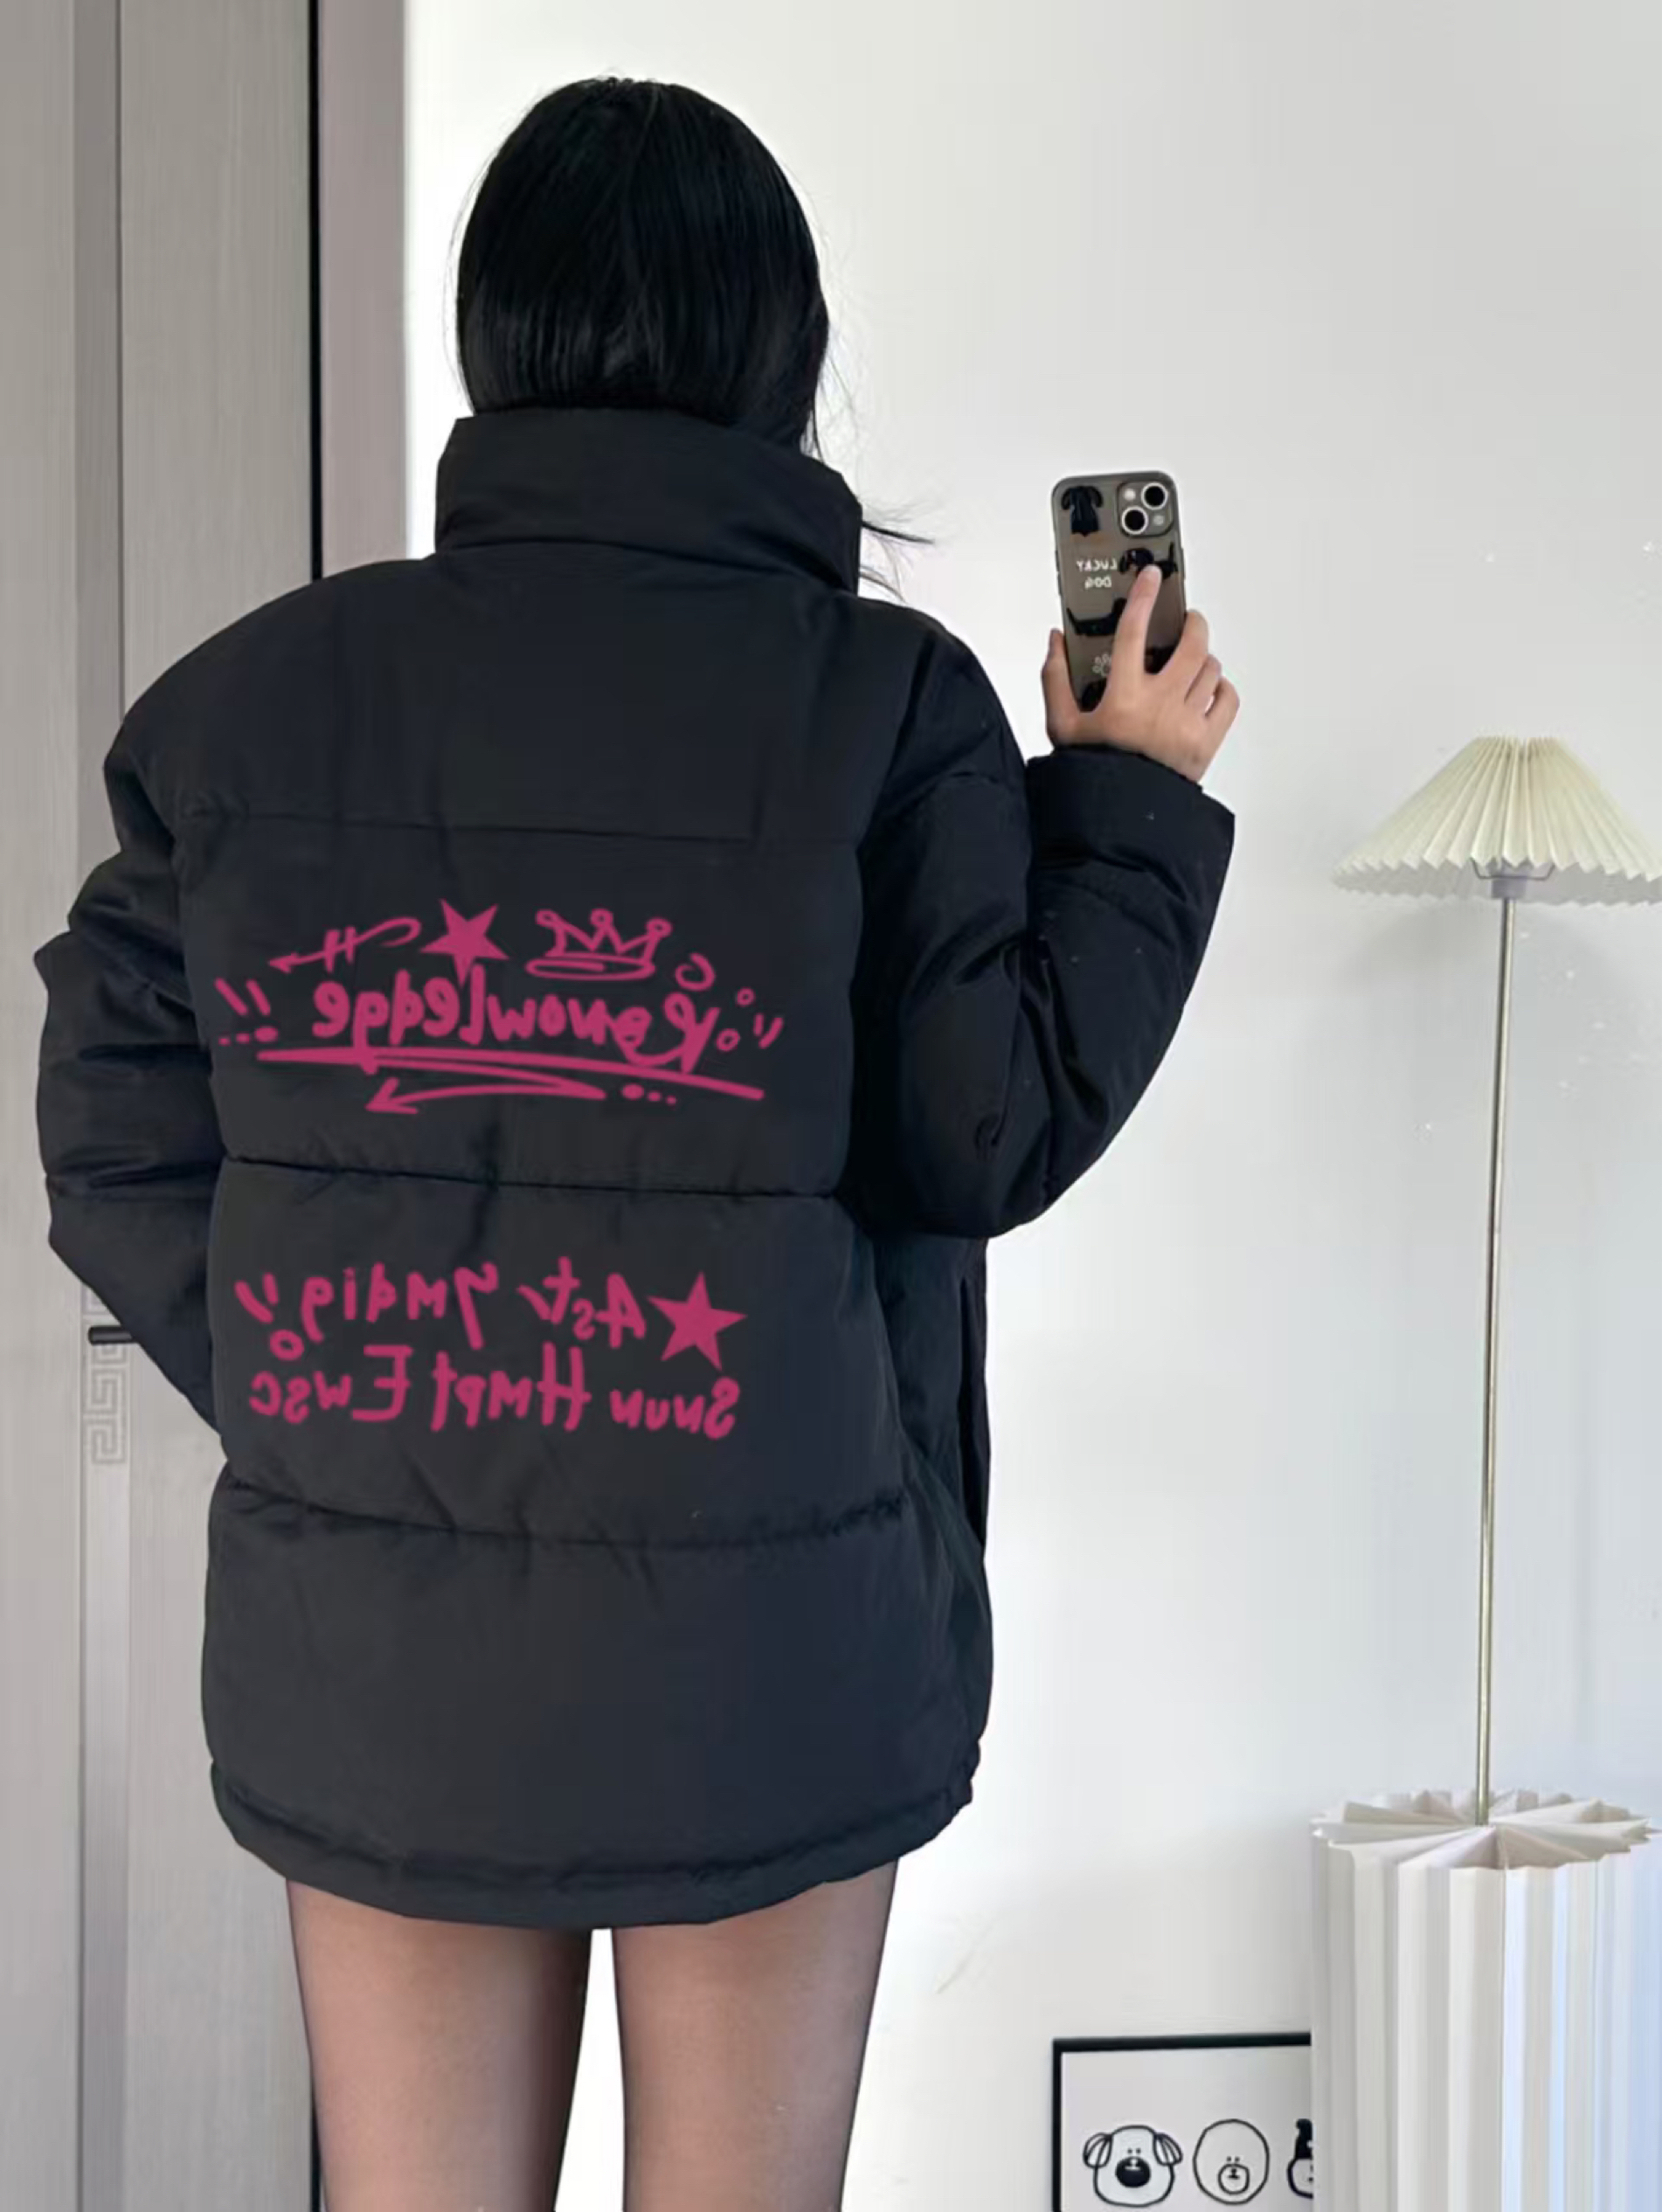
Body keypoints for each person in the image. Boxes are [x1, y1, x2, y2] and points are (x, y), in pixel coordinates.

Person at [31, 74, 1236, 2212]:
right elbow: (981, 1131)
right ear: (779, 350)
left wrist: (348, 1376)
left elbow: (113, 1123)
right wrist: (1127, 796)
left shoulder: (247, 709)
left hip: (381, 1665)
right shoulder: (882, 705)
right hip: (769, 1661)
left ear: (496, 337)